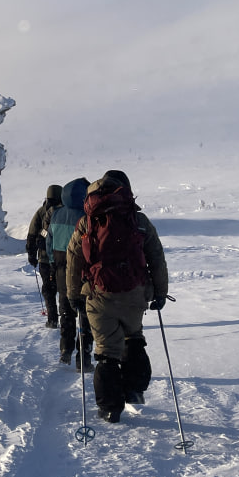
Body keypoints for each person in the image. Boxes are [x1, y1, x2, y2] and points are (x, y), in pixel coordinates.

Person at [66, 170, 168, 423]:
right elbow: (156, 257)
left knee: (106, 351)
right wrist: (160, 292)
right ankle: (134, 390)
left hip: (99, 294)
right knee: (133, 337)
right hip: (134, 294)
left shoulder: (87, 222)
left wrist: (73, 294)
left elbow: (74, 260)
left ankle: (110, 408)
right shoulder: (139, 220)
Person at [45, 177, 93, 368]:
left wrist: (51, 262)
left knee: (65, 309)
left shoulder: (56, 215)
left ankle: (65, 349)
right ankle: (84, 357)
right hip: (82, 269)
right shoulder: (87, 216)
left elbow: (49, 242)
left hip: (60, 267)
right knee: (84, 312)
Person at [26, 184, 61, 328]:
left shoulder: (41, 212)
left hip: (45, 259)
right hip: (63, 258)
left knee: (48, 289)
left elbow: (32, 234)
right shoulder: (65, 211)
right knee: (64, 288)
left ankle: (52, 319)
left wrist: (31, 255)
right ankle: (68, 316)